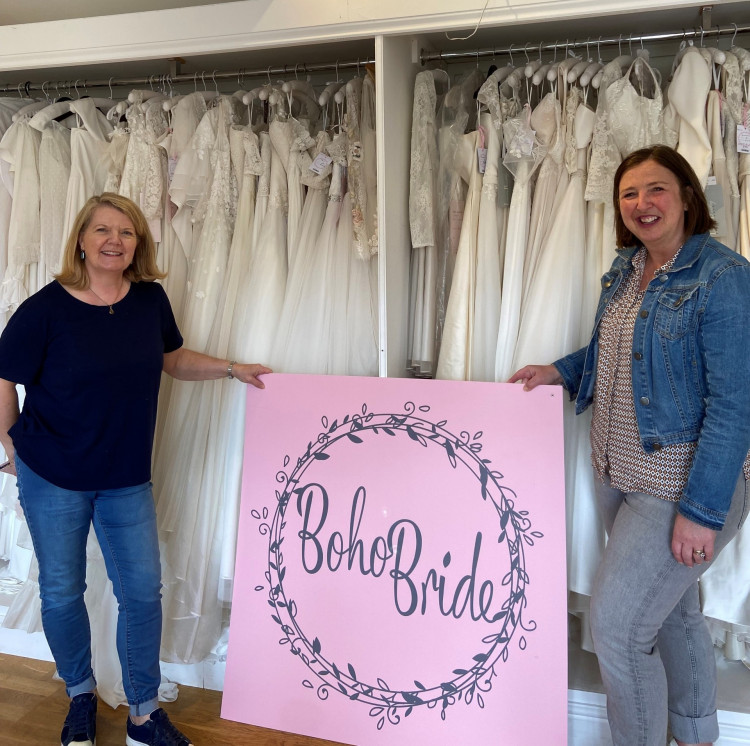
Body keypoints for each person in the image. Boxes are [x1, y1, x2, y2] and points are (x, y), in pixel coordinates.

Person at [0, 193, 271, 746]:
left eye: (126, 232)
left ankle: (144, 714)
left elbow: (172, 358)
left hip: (125, 476)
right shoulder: (44, 308)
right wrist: (8, 444)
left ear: (137, 244)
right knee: (60, 591)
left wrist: (230, 369)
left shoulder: (149, 301)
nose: (114, 241)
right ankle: (79, 694)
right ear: (81, 239)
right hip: (51, 473)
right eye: (102, 230)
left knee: (144, 593)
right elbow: (5, 375)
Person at [509, 145, 750, 746]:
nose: (642, 203)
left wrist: (701, 513)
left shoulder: (723, 276)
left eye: (657, 189)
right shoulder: (625, 269)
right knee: (673, 612)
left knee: (616, 630)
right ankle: (695, 737)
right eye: (629, 194)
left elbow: (736, 404)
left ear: (687, 196)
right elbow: (619, 353)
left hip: (681, 483)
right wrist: (561, 371)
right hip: (618, 470)